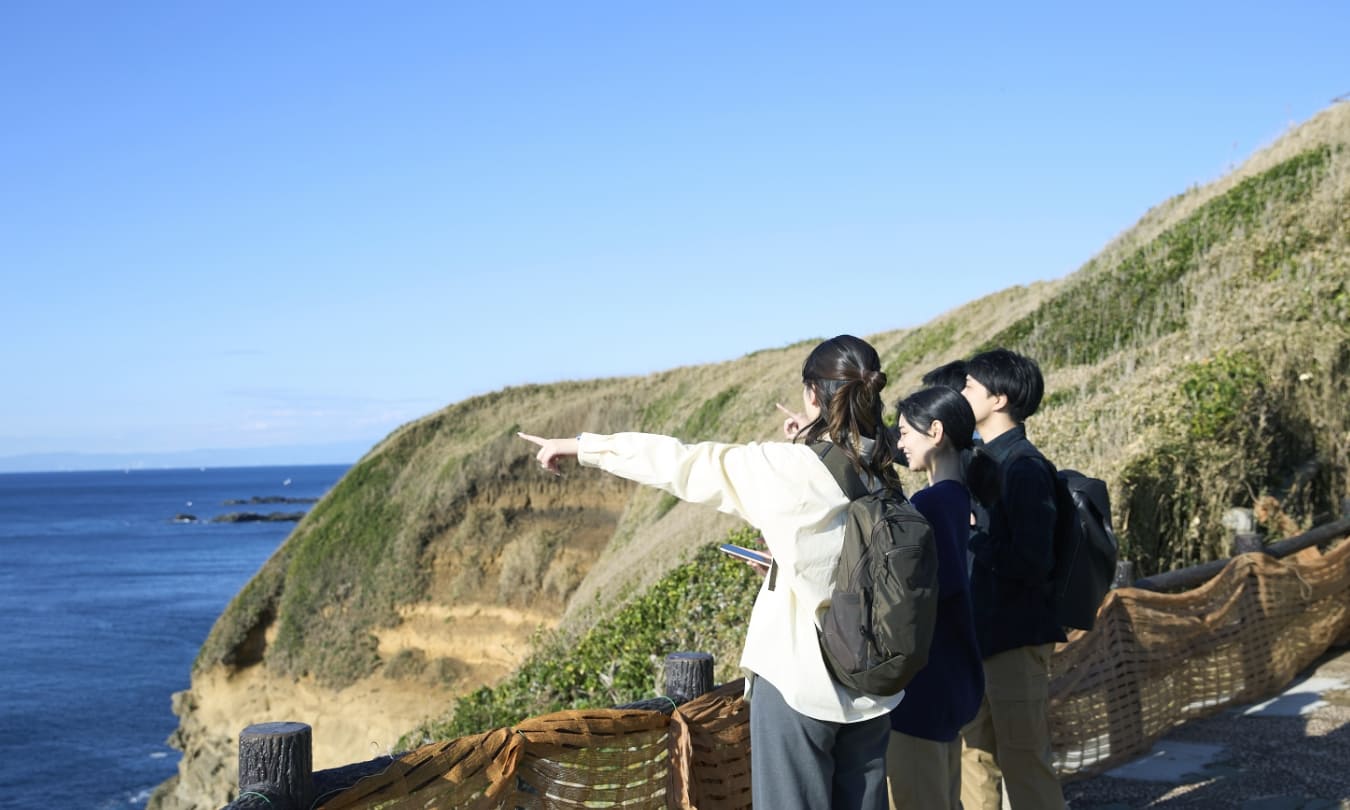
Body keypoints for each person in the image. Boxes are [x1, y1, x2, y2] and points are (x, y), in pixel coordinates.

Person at [519, 335, 905, 810]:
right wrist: (809, 436)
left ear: (812, 395)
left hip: (801, 683)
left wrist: (581, 446)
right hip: (874, 688)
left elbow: (682, 462)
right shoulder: (883, 466)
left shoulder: (784, 469)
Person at [958, 349, 1067, 810]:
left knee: (1024, 761)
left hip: (1016, 636)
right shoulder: (984, 460)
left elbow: (1032, 560)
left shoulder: (1024, 467)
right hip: (982, 633)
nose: (962, 396)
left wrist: (971, 536)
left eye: (969, 388)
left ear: (998, 398)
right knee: (975, 758)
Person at [884, 386, 985, 810]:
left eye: (905, 432)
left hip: (921, 689)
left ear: (936, 431)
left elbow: (910, 597)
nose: (900, 443)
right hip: (955, 680)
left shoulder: (929, 505)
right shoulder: (966, 499)